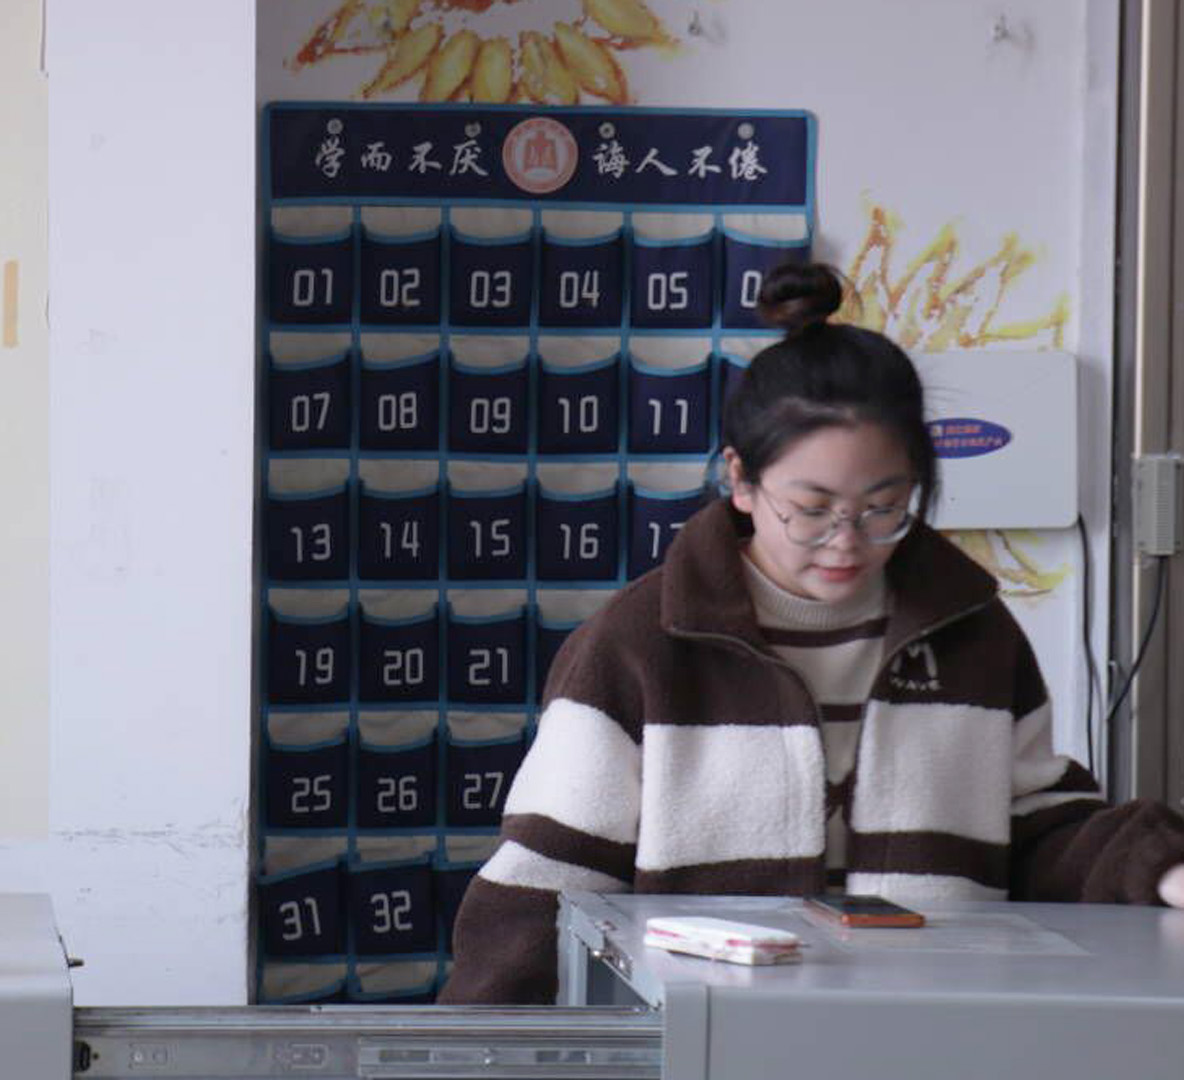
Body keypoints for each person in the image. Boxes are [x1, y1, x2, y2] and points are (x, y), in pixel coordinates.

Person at [439, 262, 1184, 1005]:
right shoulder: (643, 643)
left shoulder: (971, 631)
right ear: (740, 480)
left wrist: (1160, 867)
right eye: (811, 508)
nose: (846, 541)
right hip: (709, 1040)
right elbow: (546, 880)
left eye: (884, 506)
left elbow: (1038, 828)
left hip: (931, 1032)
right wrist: (488, 1045)